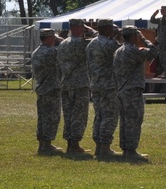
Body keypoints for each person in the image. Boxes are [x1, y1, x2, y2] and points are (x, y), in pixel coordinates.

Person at [113, 26, 158, 162]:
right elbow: (153, 52)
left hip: (121, 89)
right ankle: (131, 151)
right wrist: (145, 40)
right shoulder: (133, 50)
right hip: (132, 89)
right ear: (133, 36)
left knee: (125, 121)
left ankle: (126, 149)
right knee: (133, 120)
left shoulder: (118, 51)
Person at [58, 18, 97, 155]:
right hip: (79, 83)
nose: (83, 30)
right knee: (79, 115)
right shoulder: (80, 43)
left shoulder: (63, 43)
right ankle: (74, 145)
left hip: (66, 83)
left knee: (68, 115)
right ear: (76, 28)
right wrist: (91, 29)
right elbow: (99, 39)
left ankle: (70, 144)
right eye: (81, 27)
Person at [87, 19, 122, 160]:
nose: (114, 31)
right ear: (107, 29)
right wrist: (118, 37)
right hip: (108, 85)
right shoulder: (109, 44)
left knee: (99, 115)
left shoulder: (91, 44)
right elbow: (120, 53)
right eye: (112, 29)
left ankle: (98, 146)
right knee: (110, 115)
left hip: (95, 84)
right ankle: (105, 147)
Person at [32, 28, 64, 156]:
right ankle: (47, 145)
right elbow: (63, 56)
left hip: (41, 87)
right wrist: (62, 42)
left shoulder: (36, 51)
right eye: (54, 37)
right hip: (51, 88)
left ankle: (42, 144)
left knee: (43, 117)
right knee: (52, 117)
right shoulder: (50, 52)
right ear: (49, 38)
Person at [150, 5, 166, 77]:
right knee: (161, 57)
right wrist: (155, 14)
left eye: (163, 10)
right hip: (160, 41)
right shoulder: (160, 19)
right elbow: (152, 20)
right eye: (161, 10)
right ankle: (165, 72)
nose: (162, 11)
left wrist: (165, 15)